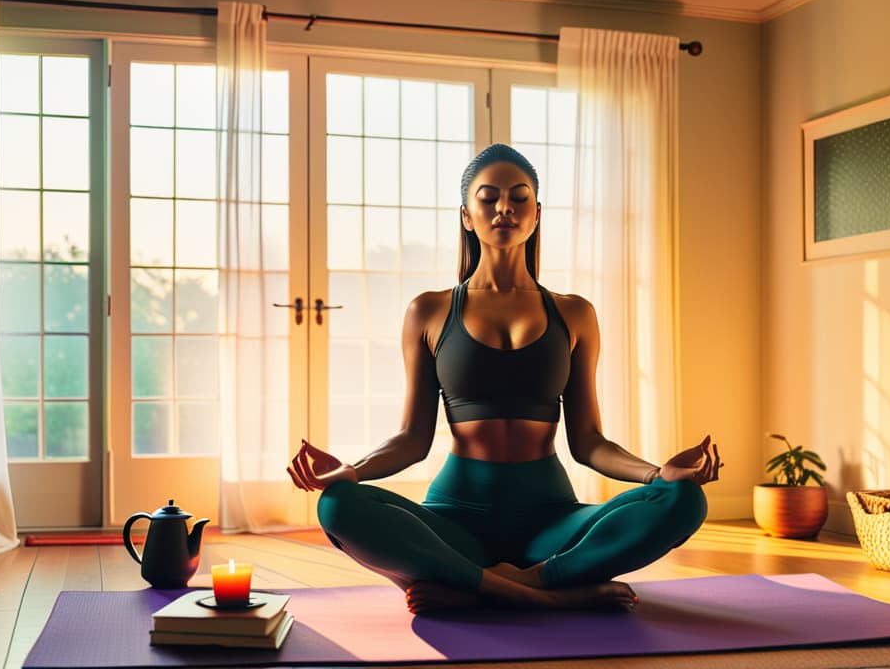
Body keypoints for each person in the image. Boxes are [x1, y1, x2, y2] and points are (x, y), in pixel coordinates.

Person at [288, 143, 721, 614]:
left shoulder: (575, 313)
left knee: (683, 500)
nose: (504, 208)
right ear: (467, 216)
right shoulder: (430, 311)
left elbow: (589, 442)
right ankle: (548, 595)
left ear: (537, 214)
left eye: (519, 197)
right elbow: (412, 440)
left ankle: (496, 584)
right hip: (457, 521)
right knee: (337, 505)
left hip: (552, 521)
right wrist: (351, 471)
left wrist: (659, 473)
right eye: (488, 197)